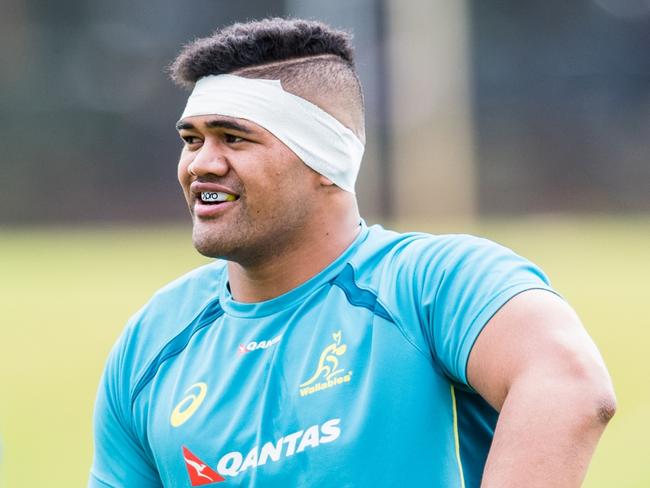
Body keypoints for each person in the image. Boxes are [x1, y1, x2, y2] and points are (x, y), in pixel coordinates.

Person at [89, 18, 616, 488]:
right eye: (192, 139)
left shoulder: (433, 283)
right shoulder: (152, 343)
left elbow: (569, 385)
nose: (202, 163)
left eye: (233, 138)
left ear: (325, 159)